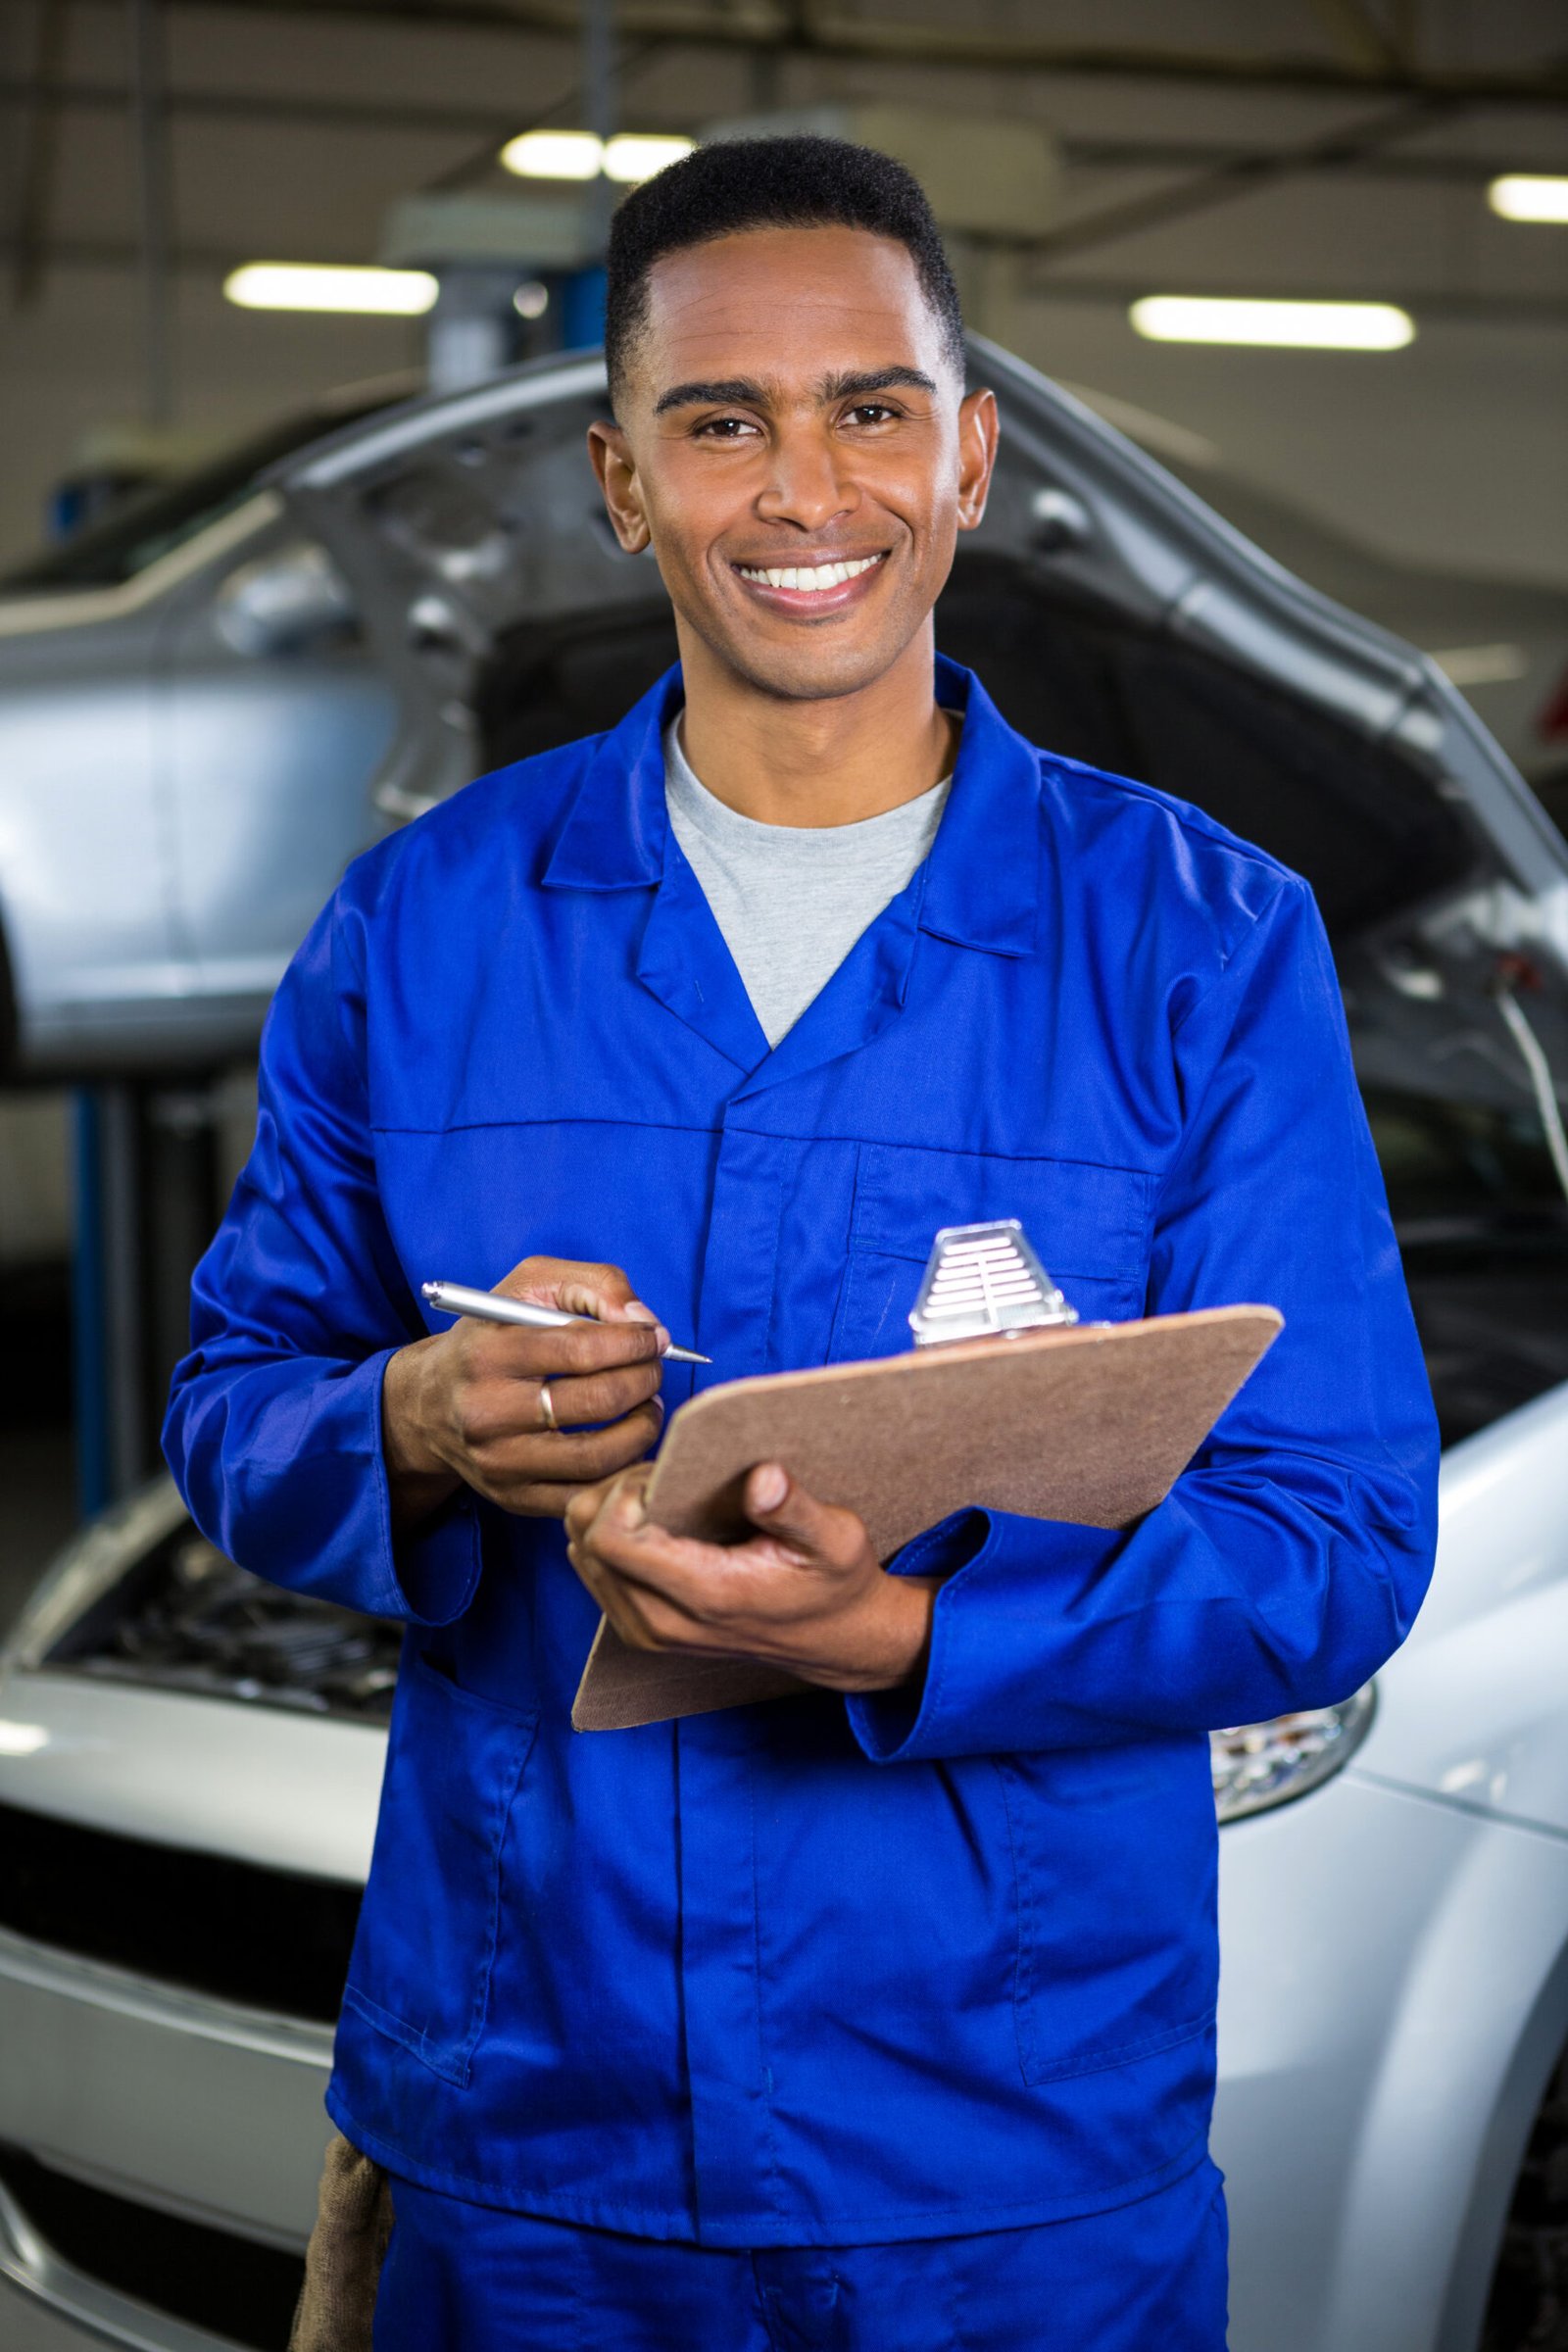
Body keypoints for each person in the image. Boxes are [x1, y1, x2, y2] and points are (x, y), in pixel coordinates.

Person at [164, 136, 1439, 2351]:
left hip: (1004, 2146)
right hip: (521, 2116)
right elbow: (232, 1402)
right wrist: (417, 1419)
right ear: (616, 479)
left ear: (968, 457)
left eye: (867, 407)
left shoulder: (1195, 943)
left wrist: (908, 1639)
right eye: (715, 419)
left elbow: (1333, 1537)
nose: (800, 488)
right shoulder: (429, 922)